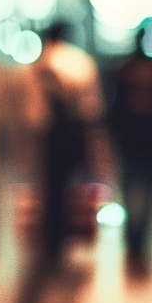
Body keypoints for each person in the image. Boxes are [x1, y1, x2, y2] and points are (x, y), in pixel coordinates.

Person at [39, 22, 109, 262]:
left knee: (53, 188)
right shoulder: (80, 62)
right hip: (76, 130)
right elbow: (92, 105)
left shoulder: (38, 62)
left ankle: (53, 241)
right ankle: (72, 235)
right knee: (78, 186)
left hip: (47, 134)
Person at [110, 29, 152, 274]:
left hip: (138, 141)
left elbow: (115, 108)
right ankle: (139, 243)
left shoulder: (127, 70)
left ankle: (135, 242)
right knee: (144, 192)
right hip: (148, 141)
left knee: (133, 192)